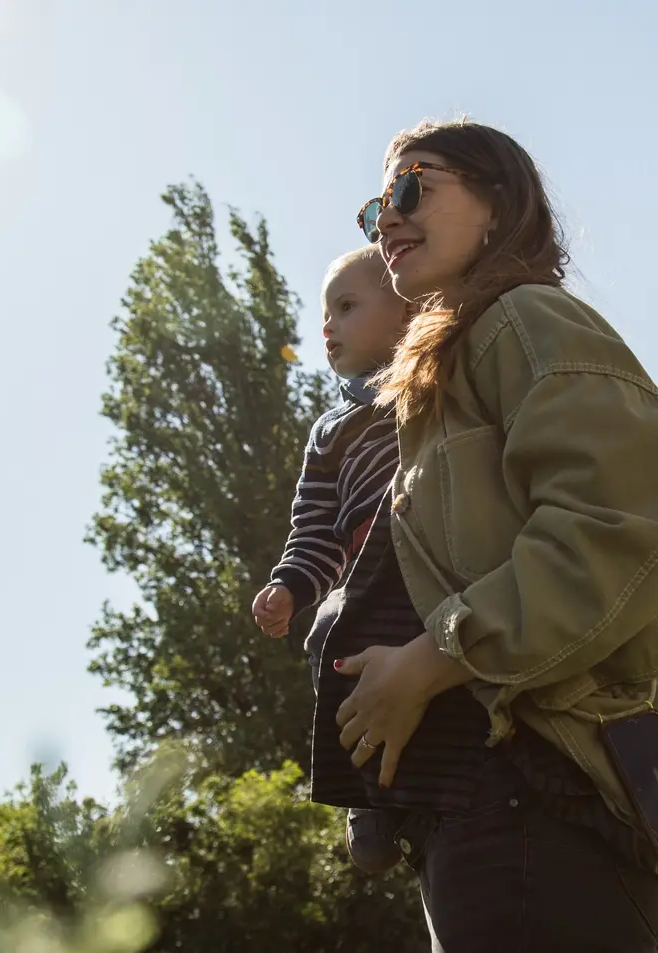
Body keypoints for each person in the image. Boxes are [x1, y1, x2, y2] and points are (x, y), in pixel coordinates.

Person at [321, 119, 658, 951]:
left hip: (548, 788)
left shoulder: (524, 319)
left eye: (415, 187)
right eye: (376, 207)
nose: (389, 221)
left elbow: (606, 532)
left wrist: (426, 662)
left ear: (497, 204)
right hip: (491, 798)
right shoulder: (445, 367)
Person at [251, 244, 415, 873]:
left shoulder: (431, 378)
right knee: (328, 638)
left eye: (347, 306)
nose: (328, 326)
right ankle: (368, 799)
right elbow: (314, 527)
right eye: (324, 314)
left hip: (432, 551)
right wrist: (291, 585)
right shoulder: (329, 432)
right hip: (368, 577)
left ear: (406, 308)